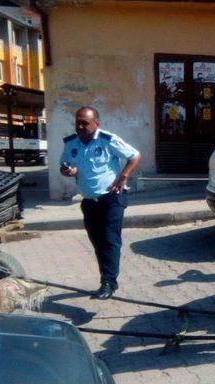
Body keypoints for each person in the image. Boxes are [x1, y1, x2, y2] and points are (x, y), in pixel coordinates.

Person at [60, 106, 140, 300]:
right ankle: (107, 280)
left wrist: (123, 177)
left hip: (112, 198)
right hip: (89, 201)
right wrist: (68, 171)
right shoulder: (71, 144)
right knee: (98, 243)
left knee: (110, 240)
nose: (80, 126)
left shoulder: (107, 139)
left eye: (84, 123)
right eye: (77, 122)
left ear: (97, 123)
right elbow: (64, 165)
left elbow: (134, 156)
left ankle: (108, 282)